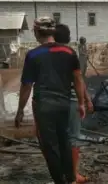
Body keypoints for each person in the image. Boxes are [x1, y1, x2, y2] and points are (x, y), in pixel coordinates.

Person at [15, 16, 86, 184]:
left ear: (37, 32)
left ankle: (59, 181)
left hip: (43, 107)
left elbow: (26, 86)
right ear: (53, 31)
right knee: (64, 141)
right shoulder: (69, 52)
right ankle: (70, 178)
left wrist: (20, 111)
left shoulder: (33, 55)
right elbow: (78, 80)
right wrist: (82, 103)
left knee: (50, 147)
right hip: (64, 104)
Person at [54, 24, 94, 183]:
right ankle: (73, 175)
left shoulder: (43, 54)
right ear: (69, 37)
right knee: (73, 138)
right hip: (70, 101)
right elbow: (78, 79)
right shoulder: (70, 54)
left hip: (51, 102)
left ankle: (61, 174)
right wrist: (85, 101)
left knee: (57, 138)